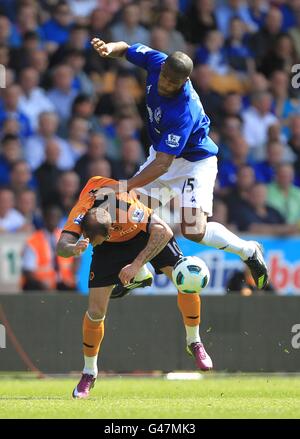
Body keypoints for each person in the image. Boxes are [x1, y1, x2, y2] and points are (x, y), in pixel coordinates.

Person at [91, 38, 268, 292]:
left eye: (172, 83)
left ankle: (249, 250)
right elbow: (126, 48)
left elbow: (163, 165)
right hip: (164, 157)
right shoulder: (157, 61)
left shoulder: (183, 111)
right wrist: (110, 49)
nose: (164, 85)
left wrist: (125, 185)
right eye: (164, 78)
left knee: (193, 229)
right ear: (162, 69)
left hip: (193, 164)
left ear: (184, 82)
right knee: (126, 212)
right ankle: (139, 273)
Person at [57, 175, 212, 399]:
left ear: (109, 231)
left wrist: (135, 264)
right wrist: (73, 249)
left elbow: (164, 231)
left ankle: (194, 341)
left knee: (184, 281)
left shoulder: (127, 209)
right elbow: (61, 246)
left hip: (143, 234)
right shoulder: (80, 214)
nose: (93, 244)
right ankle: (89, 373)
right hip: (110, 249)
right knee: (95, 312)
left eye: (95, 240)